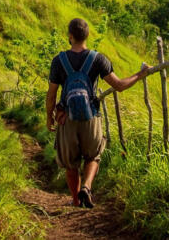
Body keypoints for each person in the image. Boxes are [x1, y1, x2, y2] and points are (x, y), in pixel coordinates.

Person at [45, 17, 150, 209]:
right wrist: (140, 74)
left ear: (70, 36)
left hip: (66, 119)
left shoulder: (59, 61)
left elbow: (51, 95)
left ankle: (76, 201)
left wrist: (49, 118)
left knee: (71, 164)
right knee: (93, 156)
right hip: (91, 115)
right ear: (87, 36)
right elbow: (119, 85)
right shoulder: (98, 59)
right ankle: (87, 186)